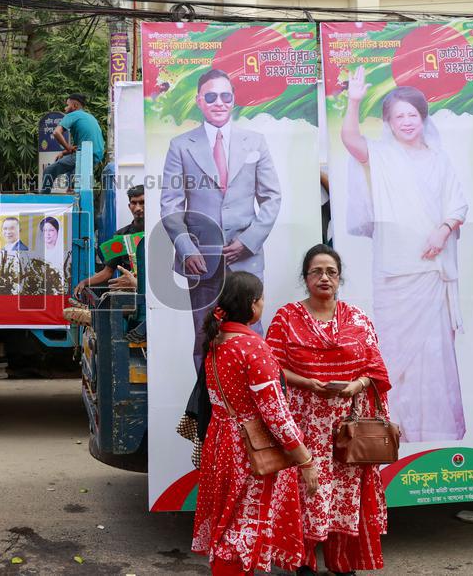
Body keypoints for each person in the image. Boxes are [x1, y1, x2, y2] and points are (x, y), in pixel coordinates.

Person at [342, 65, 467, 442]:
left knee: (434, 355)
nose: (407, 122)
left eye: (412, 115)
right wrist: (354, 101)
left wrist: (443, 230)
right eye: (399, 117)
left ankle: (438, 431)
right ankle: (393, 431)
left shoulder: (440, 159)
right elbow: (350, 139)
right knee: (393, 353)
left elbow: (458, 205)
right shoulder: (380, 155)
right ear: (389, 123)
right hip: (394, 274)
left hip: (431, 274)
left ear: (422, 118)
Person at [266, 245, 391, 576]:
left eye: (331, 272)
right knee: (303, 490)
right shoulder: (286, 317)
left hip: (346, 432)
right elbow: (271, 368)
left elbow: (376, 370)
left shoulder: (358, 319)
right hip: (303, 426)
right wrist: (306, 382)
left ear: (339, 278)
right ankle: (303, 562)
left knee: (343, 494)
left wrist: (357, 386)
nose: (324, 277)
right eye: (316, 271)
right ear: (305, 278)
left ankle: (341, 562)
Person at [191, 271, 318, 576]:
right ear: (253, 304)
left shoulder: (216, 343)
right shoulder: (252, 348)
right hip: (249, 451)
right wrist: (305, 459)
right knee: (240, 533)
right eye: (261, 298)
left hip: (222, 442)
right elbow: (276, 412)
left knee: (227, 527)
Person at [161, 68, 281, 367]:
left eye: (225, 96)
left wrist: (248, 241)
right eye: (211, 96)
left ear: (233, 100)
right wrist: (187, 249)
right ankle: (206, 411)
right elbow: (170, 205)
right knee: (206, 339)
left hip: (246, 259)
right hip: (201, 260)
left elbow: (272, 197)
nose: (219, 102)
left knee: (250, 335)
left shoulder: (255, 142)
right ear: (199, 100)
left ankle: (250, 409)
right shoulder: (180, 146)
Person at [74, 185, 144, 296]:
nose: (138, 208)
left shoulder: (160, 233)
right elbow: (108, 271)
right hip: (130, 296)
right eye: (134, 203)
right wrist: (85, 282)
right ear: (129, 206)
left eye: (142, 202)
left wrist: (136, 282)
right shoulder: (120, 236)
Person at [41, 93, 105, 193]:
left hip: (83, 154)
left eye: (67, 105)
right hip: (96, 155)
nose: (65, 108)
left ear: (75, 106)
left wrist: (67, 148)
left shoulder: (72, 115)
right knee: (71, 173)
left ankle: (44, 200)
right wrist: (64, 152)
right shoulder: (90, 117)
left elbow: (56, 132)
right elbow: (78, 147)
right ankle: (71, 191)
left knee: (48, 171)